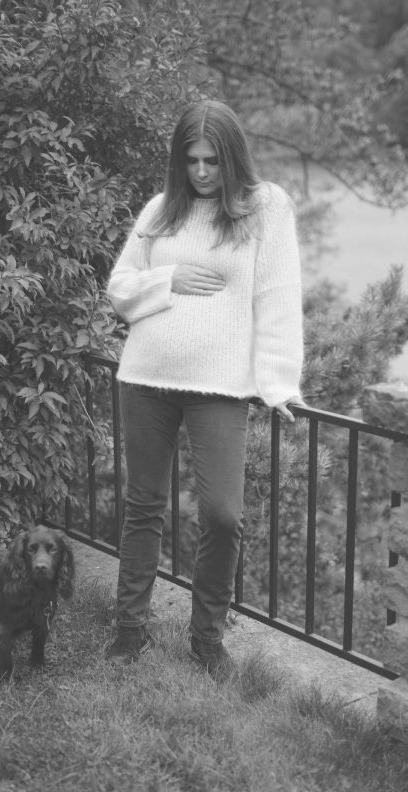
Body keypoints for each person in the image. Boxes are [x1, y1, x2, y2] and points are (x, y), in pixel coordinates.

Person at [105, 99, 304, 679]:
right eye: (190, 160)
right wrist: (167, 278)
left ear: (232, 158)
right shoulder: (160, 211)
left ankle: (207, 639)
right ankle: (129, 630)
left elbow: (277, 296)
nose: (200, 172)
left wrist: (278, 383)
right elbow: (119, 289)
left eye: (212, 160)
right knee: (144, 506)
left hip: (219, 388)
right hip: (146, 378)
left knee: (220, 514)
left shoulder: (264, 210)